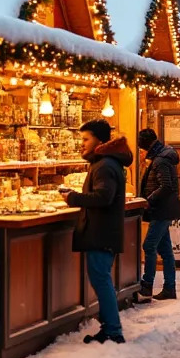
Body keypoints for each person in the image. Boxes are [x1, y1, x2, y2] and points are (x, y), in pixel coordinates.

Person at [65, 119, 134, 344]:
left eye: (86, 139)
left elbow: (104, 197)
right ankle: (109, 327)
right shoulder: (107, 162)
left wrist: (72, 197)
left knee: (101, 280)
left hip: (100, 232)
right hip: (103, 231)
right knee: (101, 280)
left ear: (100, 140)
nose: (81, 144)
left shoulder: (104, 165)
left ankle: (113, 330)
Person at [135, 128, 180, 302]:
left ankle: (147, 285)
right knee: (165, 249)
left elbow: (166, 186)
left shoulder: (160, 160)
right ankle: (170, 287)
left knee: (149, 246)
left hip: (162, 209)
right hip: (163, 209)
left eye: (141, 147)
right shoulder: (160, 157)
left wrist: (149, 199)